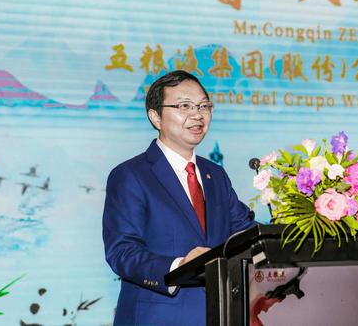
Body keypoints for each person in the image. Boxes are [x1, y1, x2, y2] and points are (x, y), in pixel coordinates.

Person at [102, 70, 255, 325]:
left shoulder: (215, 174)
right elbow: (122, 252)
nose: (197, 115)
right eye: (184, 106)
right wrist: (179, 266)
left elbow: (245, 232)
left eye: (204, 106)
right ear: (155, 117)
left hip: (219, 315)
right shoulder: (130, 175)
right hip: (158, 318)